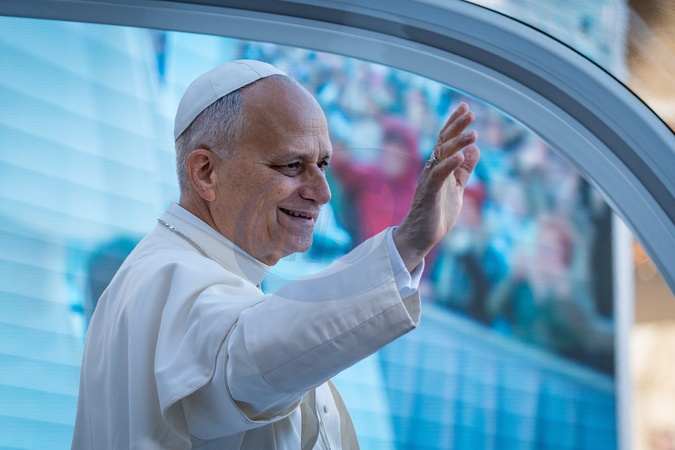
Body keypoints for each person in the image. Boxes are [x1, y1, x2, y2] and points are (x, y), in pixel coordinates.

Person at [72, 60, 480, 449]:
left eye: (323, 164)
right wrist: (406, 245)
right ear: (205, 173)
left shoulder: (191, 270)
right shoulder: (168, 277)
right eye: (292, 165)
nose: (322, 193)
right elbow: (247, 356)